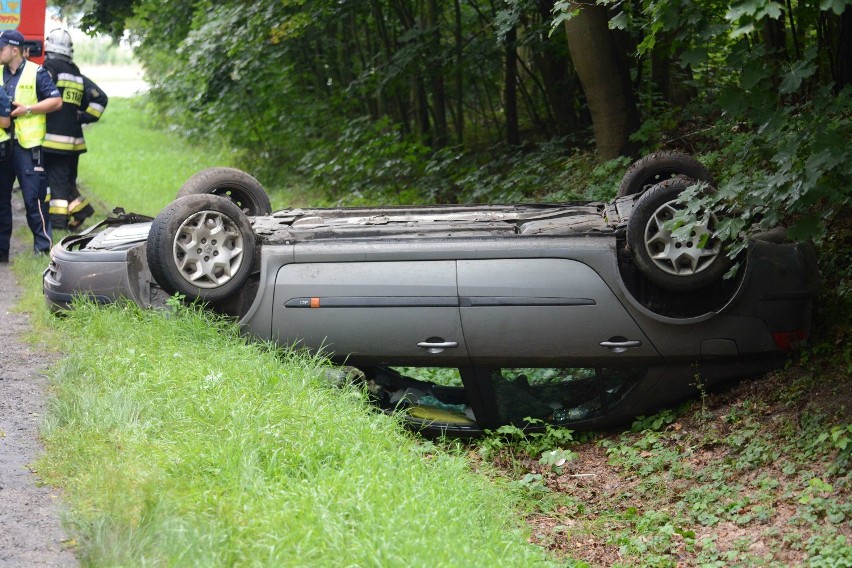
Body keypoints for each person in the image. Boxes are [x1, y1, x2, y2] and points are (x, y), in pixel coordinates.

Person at [0, 29, 61, 262]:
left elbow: (56, 101)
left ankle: (43, 250)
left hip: (27, 147)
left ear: (14, 50)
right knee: (1, 200)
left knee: (33, 199)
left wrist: (27, 109)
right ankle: (1, 252)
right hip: (4, 144)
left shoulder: (37, 73)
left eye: (1, 48)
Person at [42, 28, 108, 231]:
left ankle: (59, 225)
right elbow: (100, 98)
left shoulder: (48, 70)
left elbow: (39, 97)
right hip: (74, 142)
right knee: (66, 179)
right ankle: (81, 212)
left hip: (52, 140)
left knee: (57, 182)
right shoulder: (76, 74)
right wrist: (83, 117)